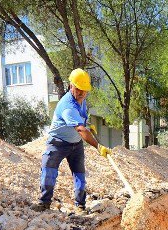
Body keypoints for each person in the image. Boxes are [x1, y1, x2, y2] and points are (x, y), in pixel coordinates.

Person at [32, 68, 111, 212]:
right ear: (71, 86)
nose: (82, 93)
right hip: (58, 143)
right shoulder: (67, 106)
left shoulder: (82, 100)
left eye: (85, 90)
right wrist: (98, 146)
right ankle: (44, 202)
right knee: (48, 170)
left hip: (76, 144)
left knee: (80, 175)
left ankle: (80, 205)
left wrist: (87, 124)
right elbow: (80, 130)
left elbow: (81, 120)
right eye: (79, 89)